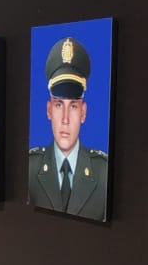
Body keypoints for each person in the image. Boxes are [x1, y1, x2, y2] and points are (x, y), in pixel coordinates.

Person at [28, 36, 108, 221]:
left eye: (73, 106)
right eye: (58, 105)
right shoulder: (31, 167)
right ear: (49, 110)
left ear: (83, 112)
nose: (65, 119)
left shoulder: (102, 172)